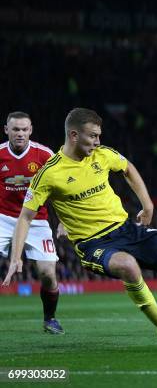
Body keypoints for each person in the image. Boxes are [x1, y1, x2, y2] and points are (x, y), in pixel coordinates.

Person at [2, 108, 157, 352]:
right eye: (93, 136)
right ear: (74, 135)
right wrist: (16, 257)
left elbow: (128, 168)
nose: (98, 142)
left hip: (127, 230)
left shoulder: (102, 155)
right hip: (93, 244)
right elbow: (26, 217)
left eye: (99, 136)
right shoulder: (49, 173)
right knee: (128, 266)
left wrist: (147, 203)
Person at [0, 111, 64, 334]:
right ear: (6, 130)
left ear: (31, 130)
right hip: (4, 218)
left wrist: (63, 220)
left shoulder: (44, 155)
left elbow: (61, 190)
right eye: (15, 129)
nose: (20, 134)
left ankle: (50, 319)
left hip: (37, 220)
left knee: (47, 274)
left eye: (24, 129)